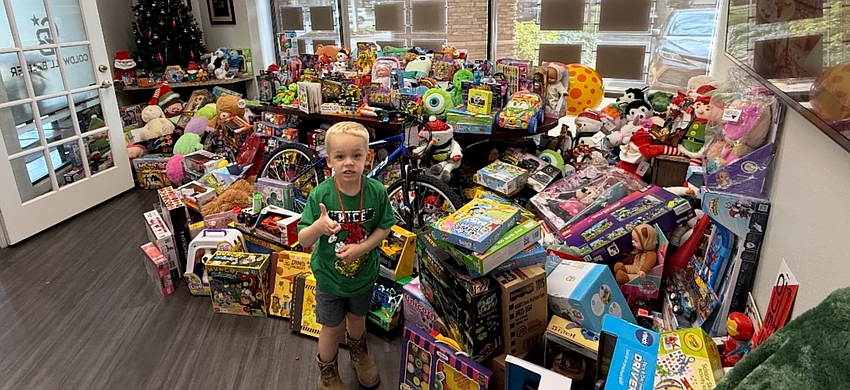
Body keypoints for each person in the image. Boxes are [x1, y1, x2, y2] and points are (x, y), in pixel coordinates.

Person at [297, 121, 395, 390]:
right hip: (330, 278)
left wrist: (363, 248)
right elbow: (302, 238)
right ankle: (327, 373)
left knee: (357, 318)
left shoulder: (376, 192)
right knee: (330, 328)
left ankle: (358, 353)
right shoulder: (321, 194)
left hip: (364, 276)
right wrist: (317, 226)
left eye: (356, 155)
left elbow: (385, 227)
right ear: (329, 160)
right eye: (340, 156)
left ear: (368, 157)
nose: (348, 163)